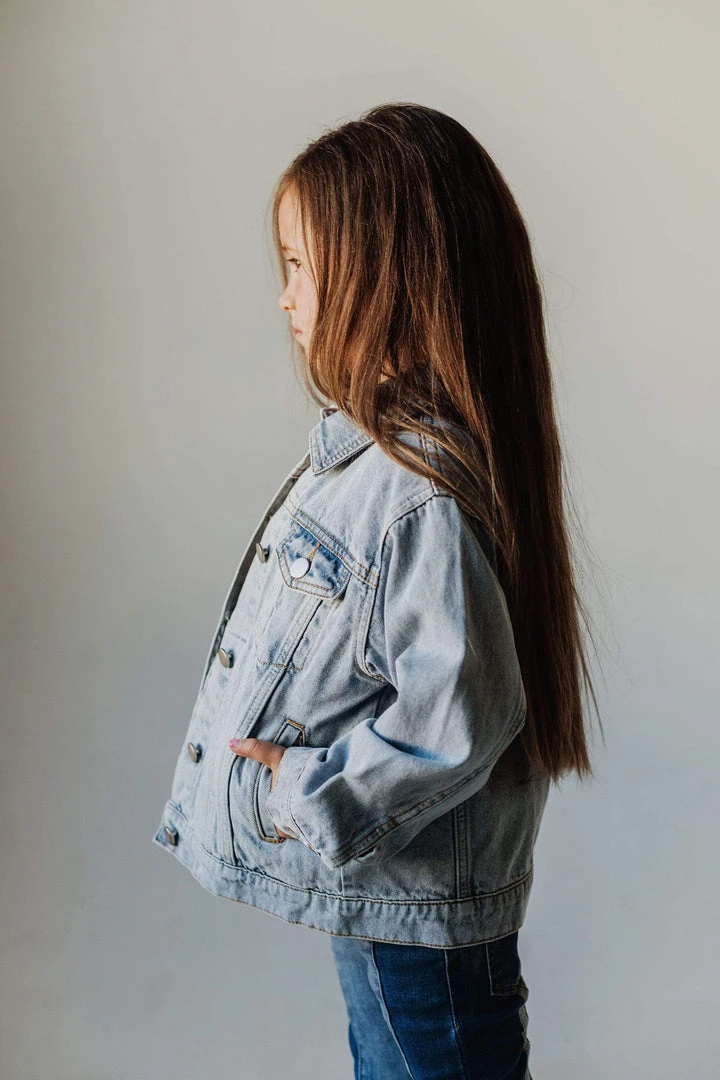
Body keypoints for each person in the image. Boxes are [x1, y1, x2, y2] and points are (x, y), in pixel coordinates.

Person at [152, 101, 602, 1079]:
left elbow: (459, 715)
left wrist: (303, 790)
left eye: (299, 266)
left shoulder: (412, 493)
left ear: (383, 278)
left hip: (422, 941)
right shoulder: (376, 465)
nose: (285, 299)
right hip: (392, 908)